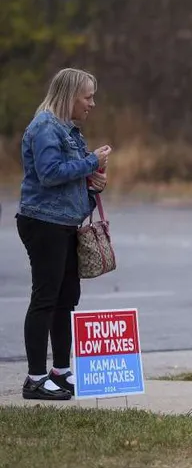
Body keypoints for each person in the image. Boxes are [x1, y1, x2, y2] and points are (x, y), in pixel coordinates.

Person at [16, 68, 111, 400]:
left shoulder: (70, 131)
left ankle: (60, 370)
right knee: (46, 297)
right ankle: (35, 378)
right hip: (43, 223)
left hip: (65, 223)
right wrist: (89, 162)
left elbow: (70, 180)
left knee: (66, 298)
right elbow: (50, 174)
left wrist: (93, 184)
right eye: (87, 97)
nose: (92, 104)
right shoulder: (45, 127)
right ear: (69, 96)